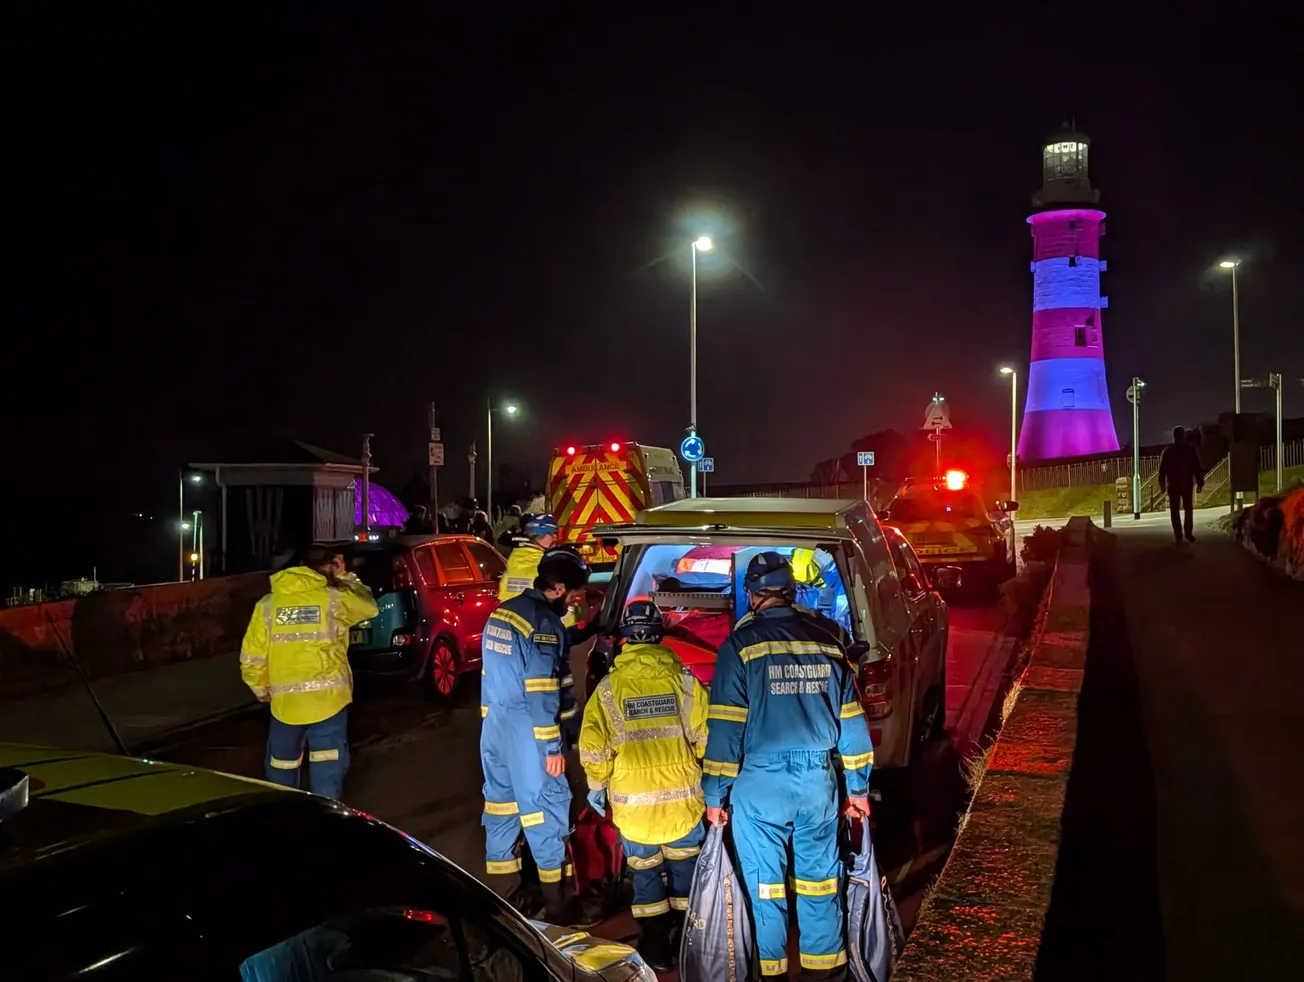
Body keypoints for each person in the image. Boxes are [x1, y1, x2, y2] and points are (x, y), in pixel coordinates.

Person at [702, 552, 874, 982]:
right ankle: (825, 974)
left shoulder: (739, 648)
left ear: (751, 595)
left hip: (759, 783)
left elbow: (725, 731)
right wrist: (857, 789)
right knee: (821, 884)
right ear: (793, 592)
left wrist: (715, 794)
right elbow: (853, 726)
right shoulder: (828, 643)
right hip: (818, 783)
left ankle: (773, 974)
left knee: (765, 887)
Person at [578, 601, 710, 971]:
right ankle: (688, 945)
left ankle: (654, 948)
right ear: (659, 635)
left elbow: (593, 747)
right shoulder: (685, 683)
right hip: (683, 804)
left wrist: (597, 784)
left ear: (624, 638)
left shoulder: (608, 690)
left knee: (646, 875)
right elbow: (706, 739)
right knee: (686, 874)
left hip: (634, 809)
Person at [479, 547, 592, 925]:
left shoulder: (504, 613)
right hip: (529, 732)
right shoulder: (544, 625)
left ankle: (508, 901)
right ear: (557, 588)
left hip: (495, 727)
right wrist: (552, 747)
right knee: (546, 812)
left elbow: (492, 675)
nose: (576, 599)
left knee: (502, 810)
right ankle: (558, 908)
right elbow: (542, 689)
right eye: (574, 593)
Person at [239, 544, 379, 800]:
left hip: (285, 705)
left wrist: (260, 688)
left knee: (281, 772)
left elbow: (252, 656)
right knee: (327, 774)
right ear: (330, 566)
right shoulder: (334, 599)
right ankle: (323, 821)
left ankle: (287, 817)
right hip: (328, 702)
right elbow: (369, 607)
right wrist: (347, 577)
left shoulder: (269, 604)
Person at [1157, 425, 1206, 544]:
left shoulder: (1168, 451)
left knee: (1175, 511)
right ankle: (1188, 532)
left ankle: (1178, 534)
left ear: (1174, 436)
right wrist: (1200, 482)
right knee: (1188, 509)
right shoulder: (1189, 450)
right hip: (1187, 484)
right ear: (1183, 436)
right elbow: (1197, 468)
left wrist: (1162, 485)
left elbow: (1162, 471)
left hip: (1173, 484)